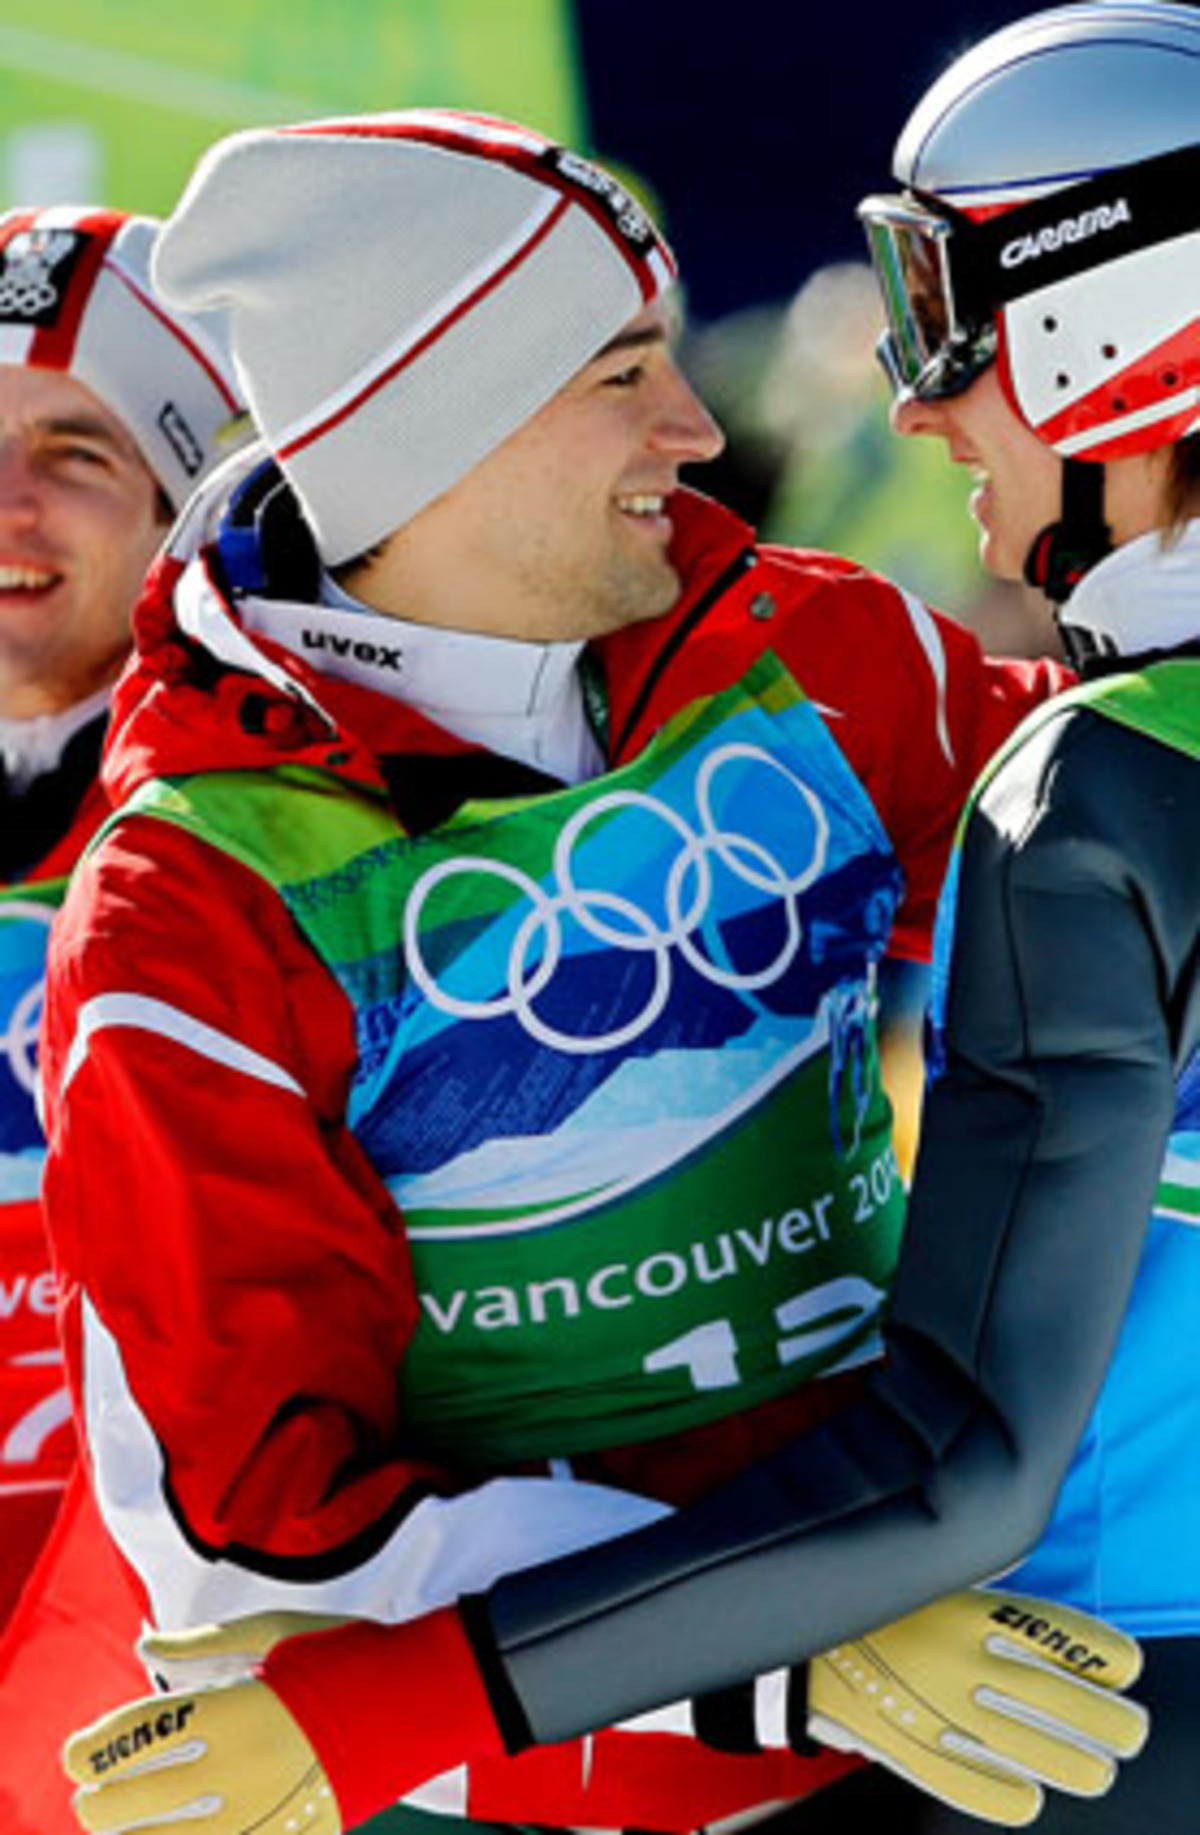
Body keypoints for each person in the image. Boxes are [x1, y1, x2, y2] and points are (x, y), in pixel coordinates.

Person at [42, 114, 1146, 1835]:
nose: (699, 426)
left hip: (960, 1685)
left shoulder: (799, 646)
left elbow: (1139, 836)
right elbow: (248, 1529)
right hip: (578, 1771)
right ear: (434, 425)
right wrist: (786, 1651)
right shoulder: (194, 904)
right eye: (623, 370)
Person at [0, 205, 245, 1637]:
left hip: (192, 1670)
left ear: (178, 508)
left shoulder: (285, 817)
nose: (8, 503)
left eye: (76, 455)